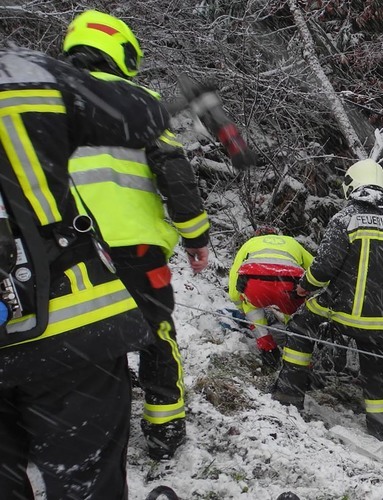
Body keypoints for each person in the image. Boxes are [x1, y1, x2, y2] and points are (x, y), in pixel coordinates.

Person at [0, 46, 171, 498]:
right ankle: (167, 434)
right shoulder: (24, 74)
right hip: (69, 326)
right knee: (84, 481)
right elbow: (141, 115)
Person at [61, 10, 212, 461]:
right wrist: (196, 238)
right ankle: (164, 428)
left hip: (66, 250)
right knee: (156, 332)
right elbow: (175, 174)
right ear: (120, 50)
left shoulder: (44, 103)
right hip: (138, 249)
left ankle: (86, 426)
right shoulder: (138, 102)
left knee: (80, 335)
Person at [272, 159, 383, 441]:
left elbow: (324, 267)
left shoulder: (345, 220)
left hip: (345, 312)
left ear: (352, 185)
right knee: (378, 373)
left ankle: (288, 396)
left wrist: (303, 288)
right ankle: (382, 431)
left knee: (301, 325)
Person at [228, 226, 314, 367]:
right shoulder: (291, 242)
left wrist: (239, 304)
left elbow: (234, 276)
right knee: (293, 314)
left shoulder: (250, 243)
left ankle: (267, 348)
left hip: (256, 287)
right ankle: (295, 347)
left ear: (257, 235)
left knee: (249, 304)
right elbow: (315, 267)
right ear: (277, 234)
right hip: (288, 287)